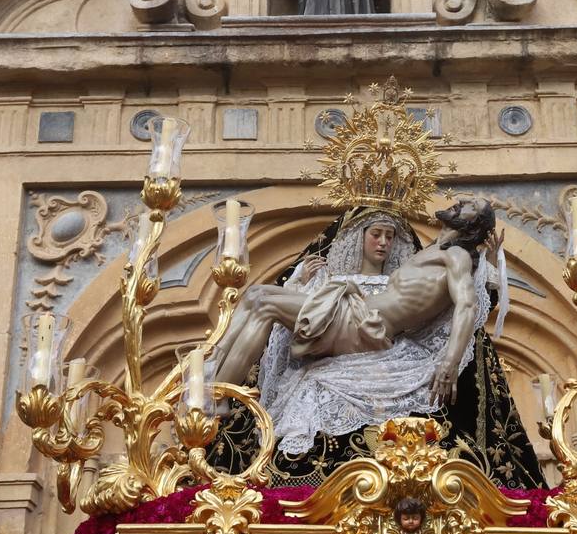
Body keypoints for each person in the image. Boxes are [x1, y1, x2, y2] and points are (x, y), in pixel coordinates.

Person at [207, 205, 546, 489]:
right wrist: (299, 281)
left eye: (467, 207)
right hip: (352, 313)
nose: (458, 204)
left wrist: (449, 362)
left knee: (261, 300)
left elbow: (469, 306)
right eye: (376, 234)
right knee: (256, 298)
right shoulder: (435, 252)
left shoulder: (455, 255)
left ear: (470, 225)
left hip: (362, 324)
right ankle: (212, 382)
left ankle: (214, 393)